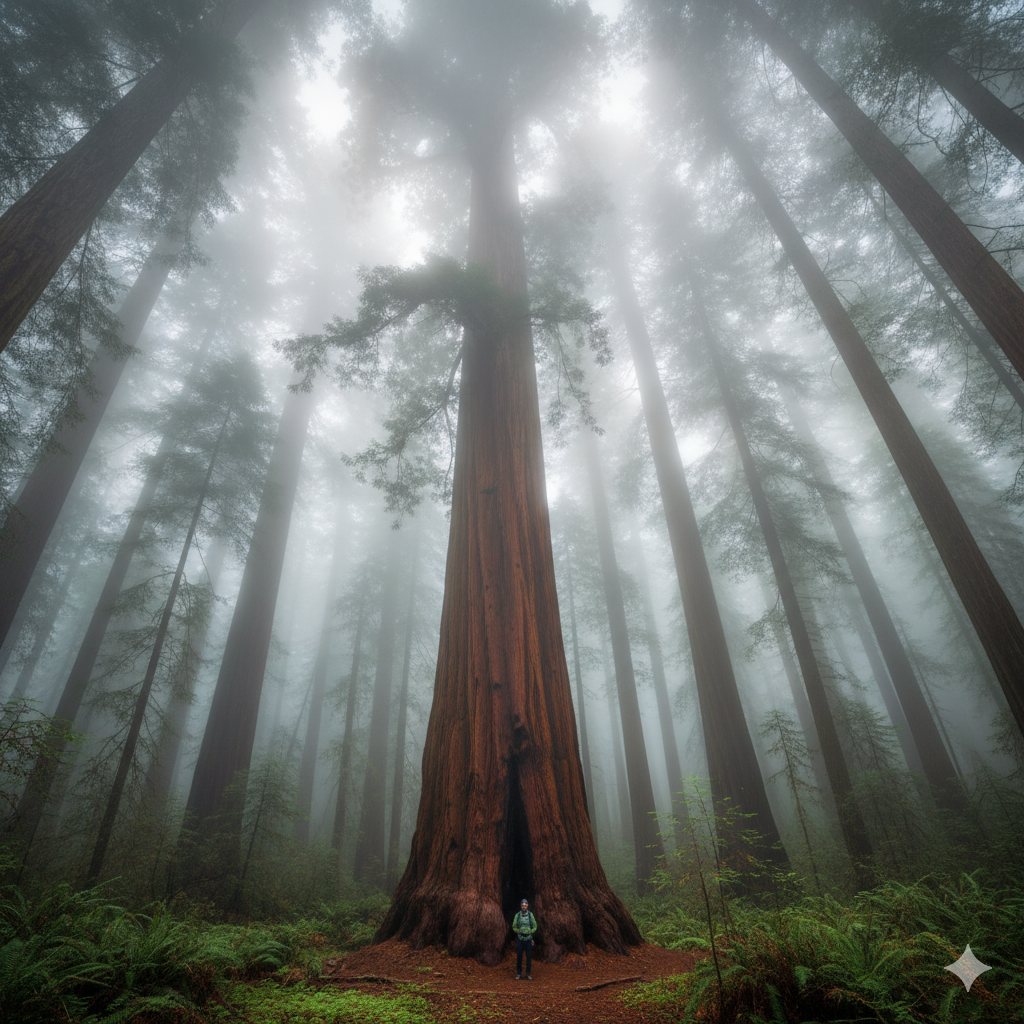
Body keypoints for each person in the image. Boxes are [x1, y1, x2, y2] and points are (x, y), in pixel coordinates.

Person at [512, 898, 537, 980]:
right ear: (521, 906)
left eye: (525, 905)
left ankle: (528, 974)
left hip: (528, 939)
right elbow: (514, 926)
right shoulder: (517, 915)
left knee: (528, 957)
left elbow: (535, 926)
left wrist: (530, 931)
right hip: (520, 939)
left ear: (527, 906)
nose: (524, 906)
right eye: (522, 905)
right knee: (519, 957)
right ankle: (519, 973)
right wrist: (518, 931)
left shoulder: (530, 915)